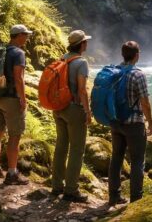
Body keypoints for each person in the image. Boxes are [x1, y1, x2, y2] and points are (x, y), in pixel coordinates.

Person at [108, 41, 152, 206]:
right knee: (136, 161)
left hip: (115, 121)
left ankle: (113, 196)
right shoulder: (138, 75)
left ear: (123, 55)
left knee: (116, 158)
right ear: (136, 55)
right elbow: (145, 103)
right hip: (134, 123)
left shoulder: (115, 71)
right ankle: (136, 200)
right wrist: (150, 123)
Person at [51, 30, 93, 202]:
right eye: (85, 41)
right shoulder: (81, 62)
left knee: (61, 146)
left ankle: (56, 186)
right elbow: (82, 90)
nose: (87, 44)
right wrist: (88, 111)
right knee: (77, 149)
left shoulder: (62, 58)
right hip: (74, 109)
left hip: (58, 107)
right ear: (82, 44)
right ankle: (71, 190)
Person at [0, 24, 32, 185]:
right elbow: (18, 78)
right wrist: (23, 98)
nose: (27, 37)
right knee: (15, 136)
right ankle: (12, 173)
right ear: (18, 35)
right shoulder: (18, 53)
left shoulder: (2, 50)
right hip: (12, 98)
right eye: (25, 34)